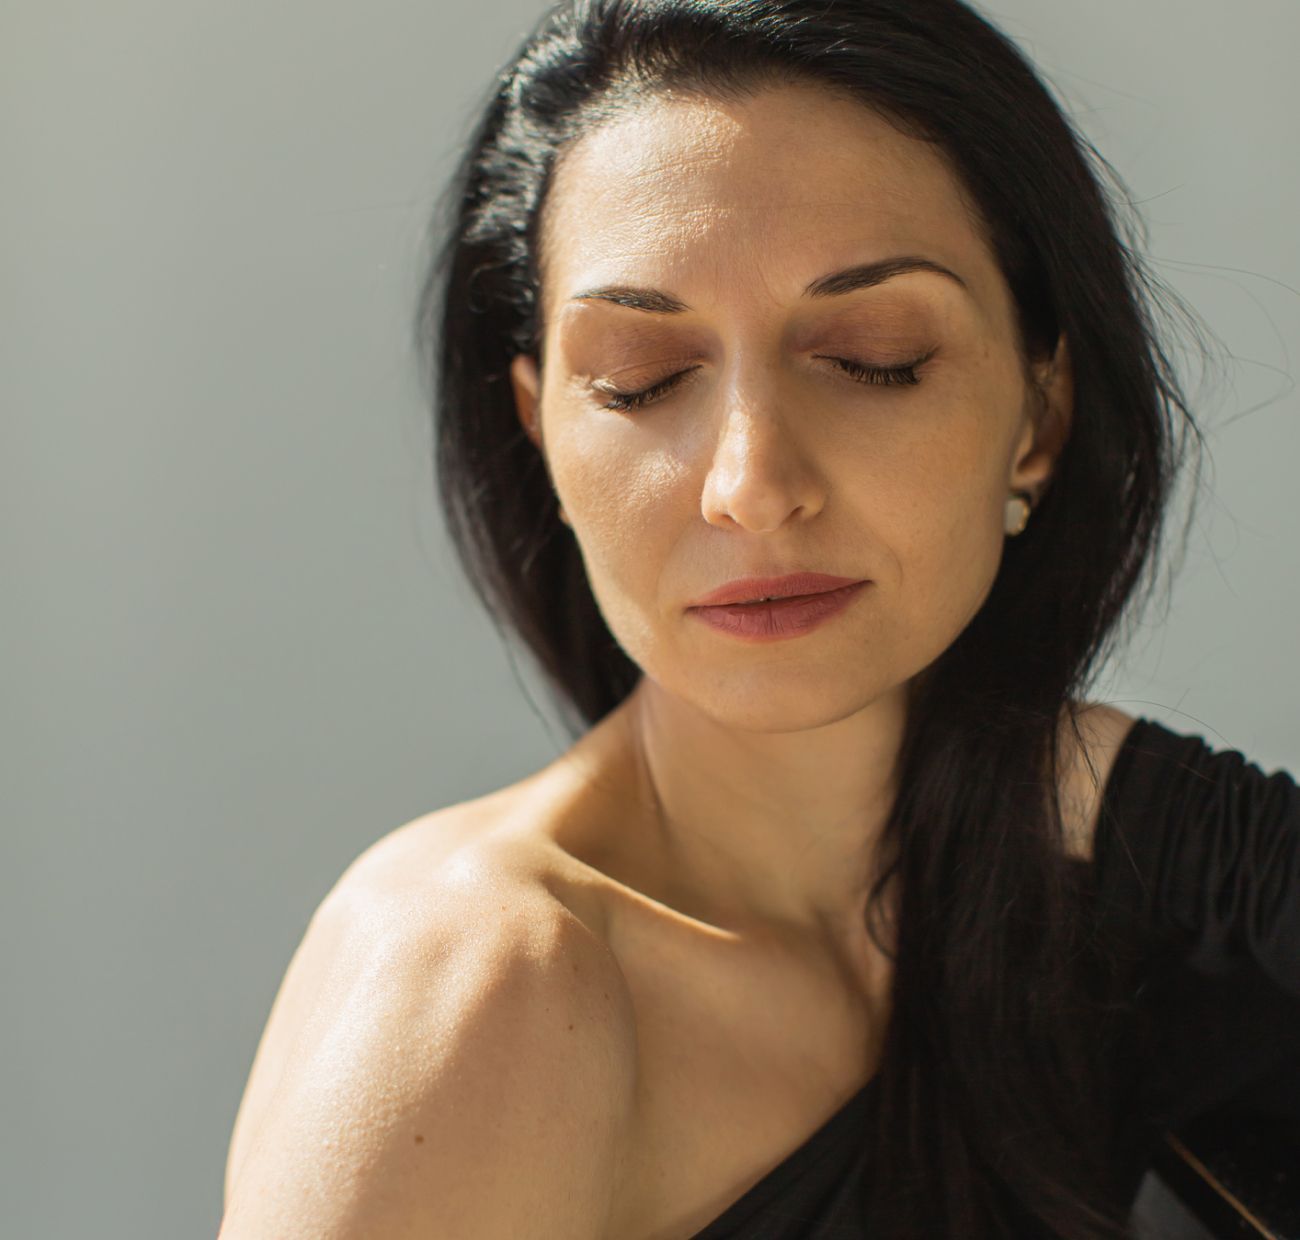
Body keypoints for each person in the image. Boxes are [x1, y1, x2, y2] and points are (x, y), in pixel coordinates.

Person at [219, 2, 1300, 1237]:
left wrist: (1168, 809)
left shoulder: (1106, 927)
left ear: (1039, 420)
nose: (749, 481)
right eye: (641, 379)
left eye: (871, 355)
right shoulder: (484, 981)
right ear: (543, 436)